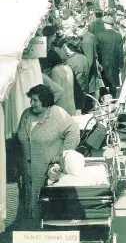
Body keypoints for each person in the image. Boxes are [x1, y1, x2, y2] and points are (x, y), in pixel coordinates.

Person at [17, 85, 80, 218]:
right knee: (29, 208)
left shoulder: (57, 113)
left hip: (48, 171)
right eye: (31, 100)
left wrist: (62, 156)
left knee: (46, 210)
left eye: (35, 100)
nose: (31, 103)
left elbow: (74, 131)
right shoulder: (27, 114)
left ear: (45, 101)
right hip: (27, 171)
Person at [95, 15, 124, 98]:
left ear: (105, 25)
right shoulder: (118, 36)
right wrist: (120, 65)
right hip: (114, 63)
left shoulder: (99, 36)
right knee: (113, 83)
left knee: (104, 82)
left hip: (102, 62)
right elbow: (120, 52)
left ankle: (104, 99)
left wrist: (98, 62)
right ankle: (113, 98)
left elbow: (97, 51)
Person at [48, 47, 76, 116]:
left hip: (61, 107)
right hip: (71, 106)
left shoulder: (56, 70)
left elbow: (55, 91)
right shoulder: (68, 67)